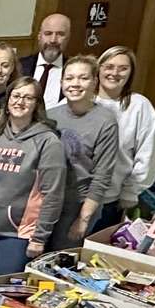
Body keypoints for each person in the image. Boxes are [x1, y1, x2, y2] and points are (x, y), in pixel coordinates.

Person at [0, 76, 63, 277]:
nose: (20, 102)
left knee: (2, 287)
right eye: (16, 96)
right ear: (7, 101)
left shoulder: (48, 141)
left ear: (36, 104)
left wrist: (39, 237)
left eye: (28, 97)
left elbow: (53, 194)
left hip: (19, 233)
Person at [53, 54, 123, 246]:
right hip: (49, 202)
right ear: (61, 83)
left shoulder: (105, 121)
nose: (75, 84)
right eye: (69, 78)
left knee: (60, 256)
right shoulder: (50, 116)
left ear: (94, 82)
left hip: (78, 205)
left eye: (83, 78)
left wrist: (83, 219)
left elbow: (102, 176)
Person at [96, 45, 155, 223]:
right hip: (74, 196)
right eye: (109, 67)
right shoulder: (82, 100)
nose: (115, 73)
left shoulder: (139, 106)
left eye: (123, 68)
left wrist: (131, 191)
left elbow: (147, 154)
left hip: (112, 199)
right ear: (98, 68)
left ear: (131, 73)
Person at [29, 12, 72, 111]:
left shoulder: (73, 70)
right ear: (39, 36)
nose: (53, 40)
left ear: (68, 38)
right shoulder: (21, 65)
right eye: (48, 33)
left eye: (60, 34)